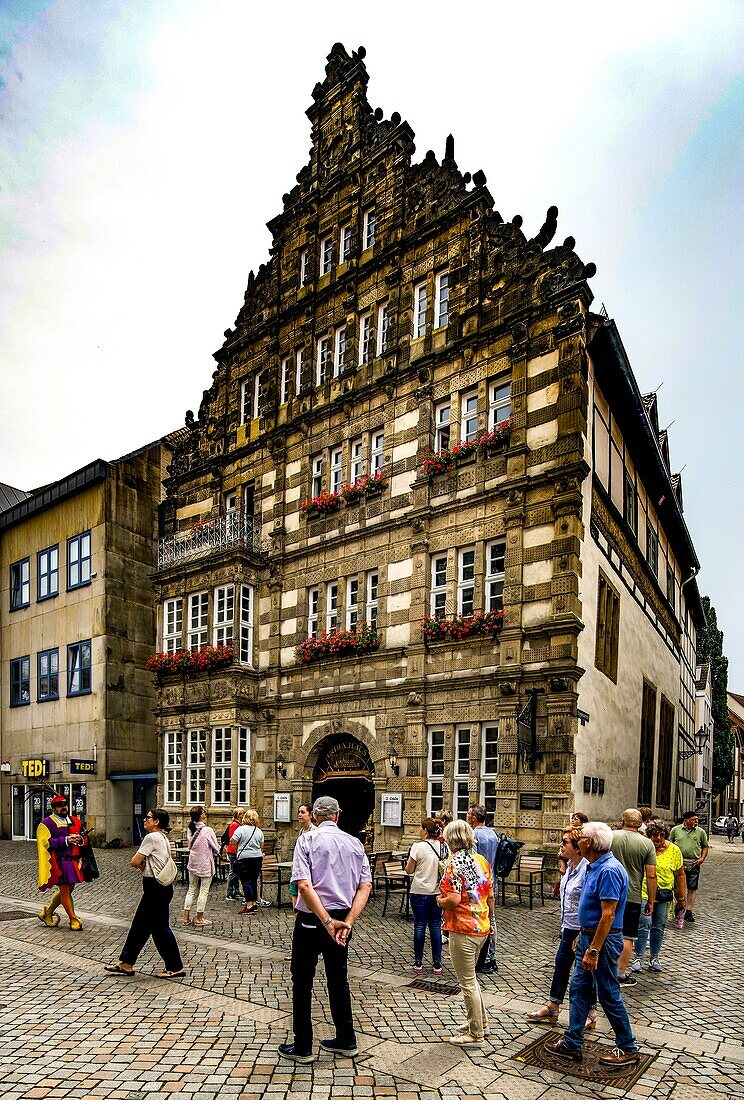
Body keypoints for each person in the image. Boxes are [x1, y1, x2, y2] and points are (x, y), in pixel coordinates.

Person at [279, 795, 371, 1063]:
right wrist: (348, 922)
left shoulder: (307, 840)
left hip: (312, 920)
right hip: (343, 920)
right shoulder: (355, 843)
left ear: (316, 817)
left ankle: (303, 1045)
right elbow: (365, 886)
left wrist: (326, 921)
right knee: (338, 979)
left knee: (303, 980)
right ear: (337, 816)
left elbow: (304, 886)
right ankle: (346, 1039)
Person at [546, 821, 640, 1069]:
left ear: (592, 843)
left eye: (583, 838)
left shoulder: (608, 870)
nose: (579, 841)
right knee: (579, 988)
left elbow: (608, 915)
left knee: (608, 993)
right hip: (590, 934)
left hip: (604, 940)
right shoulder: (593, 867)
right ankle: (572, 1041)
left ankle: (628, 1047)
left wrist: (594, 948)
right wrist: (583, 934)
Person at [527, 826, 596, 1029]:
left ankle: (591, 1013)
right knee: (561, 965)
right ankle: (553, 1005)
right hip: (568, 926)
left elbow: (589, 902)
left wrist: (583, 931)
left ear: (577, 847)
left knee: (584, 972)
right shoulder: (570, 867)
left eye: (564, 842)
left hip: (581, 928)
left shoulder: (586, 869)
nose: (560, 845)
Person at [104, 807, 185, 978]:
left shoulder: (151, 837)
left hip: (154, 887)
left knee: (159, 928)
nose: (144, 820)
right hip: (161, 887)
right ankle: (126, 963)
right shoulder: (162, 837)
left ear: (156, 822)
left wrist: (140, 864)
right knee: (140, 926)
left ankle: (175, 966)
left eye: (148, 818)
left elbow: (135, 861)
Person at [437, 819, 494, 1047]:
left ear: (450, 840)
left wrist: (438, 901)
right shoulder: (481, 861)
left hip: (462, 927)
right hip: (481, 924)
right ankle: (480, 1022)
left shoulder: (453, 864)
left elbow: (453, 900)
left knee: (467, 982)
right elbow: (489, 895)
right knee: (473, 980)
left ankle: (475, 1034)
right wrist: (491, 920)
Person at [610, 808, 657, 986]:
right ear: (640, 823)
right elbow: (651, 875)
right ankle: (620, 974)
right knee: (627, 936)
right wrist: (651, 900)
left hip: (609, 892)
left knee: (605, 930)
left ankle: (602, 968)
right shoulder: (646, 843)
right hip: (632, 894)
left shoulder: (611, 837)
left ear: (622, 821)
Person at [631, 820, 685, 972]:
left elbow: (680, 874)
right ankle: (638, 956)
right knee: (644, 924)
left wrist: (681, 896)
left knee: (659, 926)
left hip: (663, 894)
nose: (658, 838)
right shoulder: (644, 848)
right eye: (655, 835)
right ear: (649, 835)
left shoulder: (674, 850)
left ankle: (654, 957)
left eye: (662, 835)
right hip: (644, 892)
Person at [37, 793, 89, 931]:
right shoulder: (46, 824)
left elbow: (85, 840)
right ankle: (73, 918)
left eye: (64, 805)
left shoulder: (75, 821)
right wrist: (66, 840)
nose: (63, 808)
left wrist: (80, 840)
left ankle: (47, 912)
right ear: (53, 808)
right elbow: (45, 843)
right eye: (59, 806)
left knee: (69, 889)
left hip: (74, 861)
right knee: (65, 890)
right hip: (59, 862)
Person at [405, 817, 449, 974]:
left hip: (419, 891)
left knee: (419, 925)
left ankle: (418, 963)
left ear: (425, 830)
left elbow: (409, 870)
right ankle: (437, 964)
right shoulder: (444, 847)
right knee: (436, 927)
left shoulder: (418, 847)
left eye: (420, 828)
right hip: (437, 892)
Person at [467, 804, 497, 974]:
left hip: (481, 885)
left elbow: (475, 863)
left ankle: (482, 958)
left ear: (473, 818)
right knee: (492, 919)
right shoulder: (493, 833)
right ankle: (491, 956)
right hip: (492, 881)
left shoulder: (474, 835)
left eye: (468, 814)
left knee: (480, 920)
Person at [183, 806, 220, 928]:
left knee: (191, 890)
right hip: (204, 864)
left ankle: (186, 917)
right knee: (203, 891)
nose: (205, 813)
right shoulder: (207, 830)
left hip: (193, 862)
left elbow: (190, 845)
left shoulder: (190, 829)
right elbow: (216, 847)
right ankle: (199, 918)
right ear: (201, 815)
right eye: (203, 812)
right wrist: (215, 852)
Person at [670, 810, 709, 922]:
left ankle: (689, 910)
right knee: (677, 886)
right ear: (686, 820)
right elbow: (669, 843)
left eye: (697, 819)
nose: (696, 821)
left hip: (694, 862)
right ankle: (680, 904)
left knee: (692, 887)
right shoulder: (675, 830)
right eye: (694, 819)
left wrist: (702, 858)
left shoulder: (700, 832)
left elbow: (705, 846)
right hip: (678, 862)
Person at [232, 809, 264, 915]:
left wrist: (238, 851)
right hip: (257, 858)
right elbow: (261, 847)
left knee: (246, 881)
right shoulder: (259, 831)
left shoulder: (240, 830)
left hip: (244, 858)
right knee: (253, 880)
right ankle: (254, 903)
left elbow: (233, 841)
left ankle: (249, 904)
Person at [222, 809, 244, 901]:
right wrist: (236, 851)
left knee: (236, 872)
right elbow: (232, 840)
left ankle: (236, 891)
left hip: (236, 851)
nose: (244, 814)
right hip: (233, 851)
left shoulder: (239, 824)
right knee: (233, 872)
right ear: (239, 815)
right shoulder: (235, 825)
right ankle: (230, 893)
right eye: (243, 813)